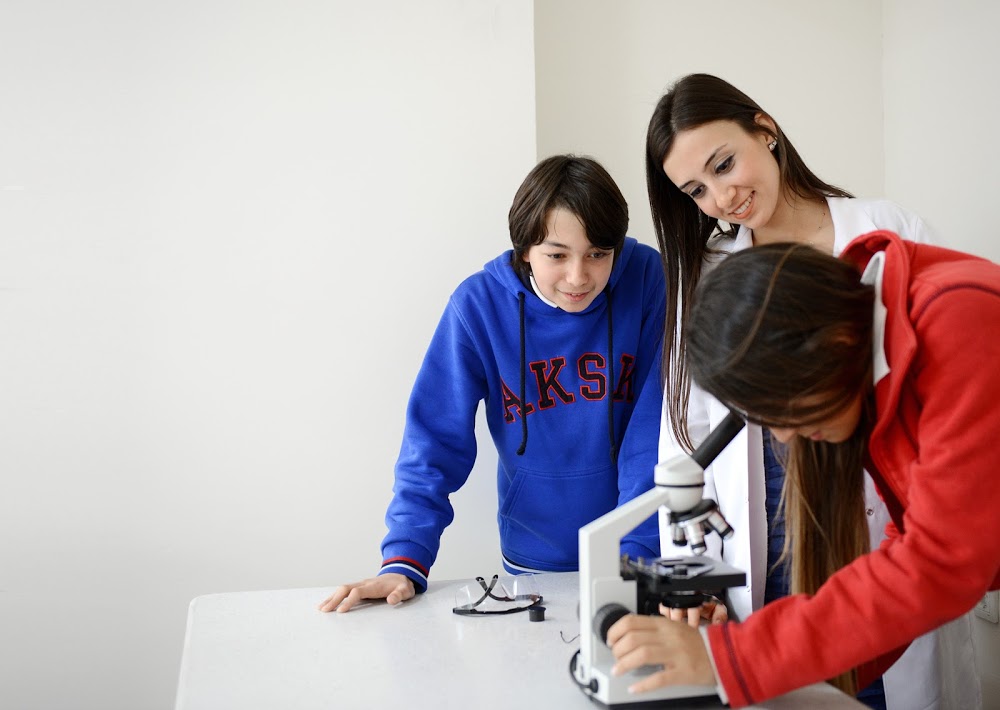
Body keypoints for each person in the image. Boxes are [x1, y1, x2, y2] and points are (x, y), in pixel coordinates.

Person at [644, 73, 977, 708]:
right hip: (766, 532)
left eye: (723, 164)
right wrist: (694, 583)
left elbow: (945, 416)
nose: (721, 197)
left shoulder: (896, 242)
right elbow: (682, 440)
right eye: (696, 190)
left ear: (764, 131)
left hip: (882, 528)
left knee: (874, 664)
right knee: (791, 675)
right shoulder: (707, 275)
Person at [606, 234, 1000, 707]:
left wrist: (731, 657)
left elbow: (938, 562)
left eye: (782, 412)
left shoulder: (958, 320)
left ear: (831, 344)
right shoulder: (875, 355)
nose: (785, 437)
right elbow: (909, 548)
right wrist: (797, 680)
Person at [318, 155, 666, 613]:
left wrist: (635, 554)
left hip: (639, 553)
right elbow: (435, 437)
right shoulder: (477, 305)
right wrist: (404, 559)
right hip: (533, 554)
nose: (579, 276)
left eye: (598, 254)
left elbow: (654, 428)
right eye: (557, 255)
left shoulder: (647, 279)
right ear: (524, 249)